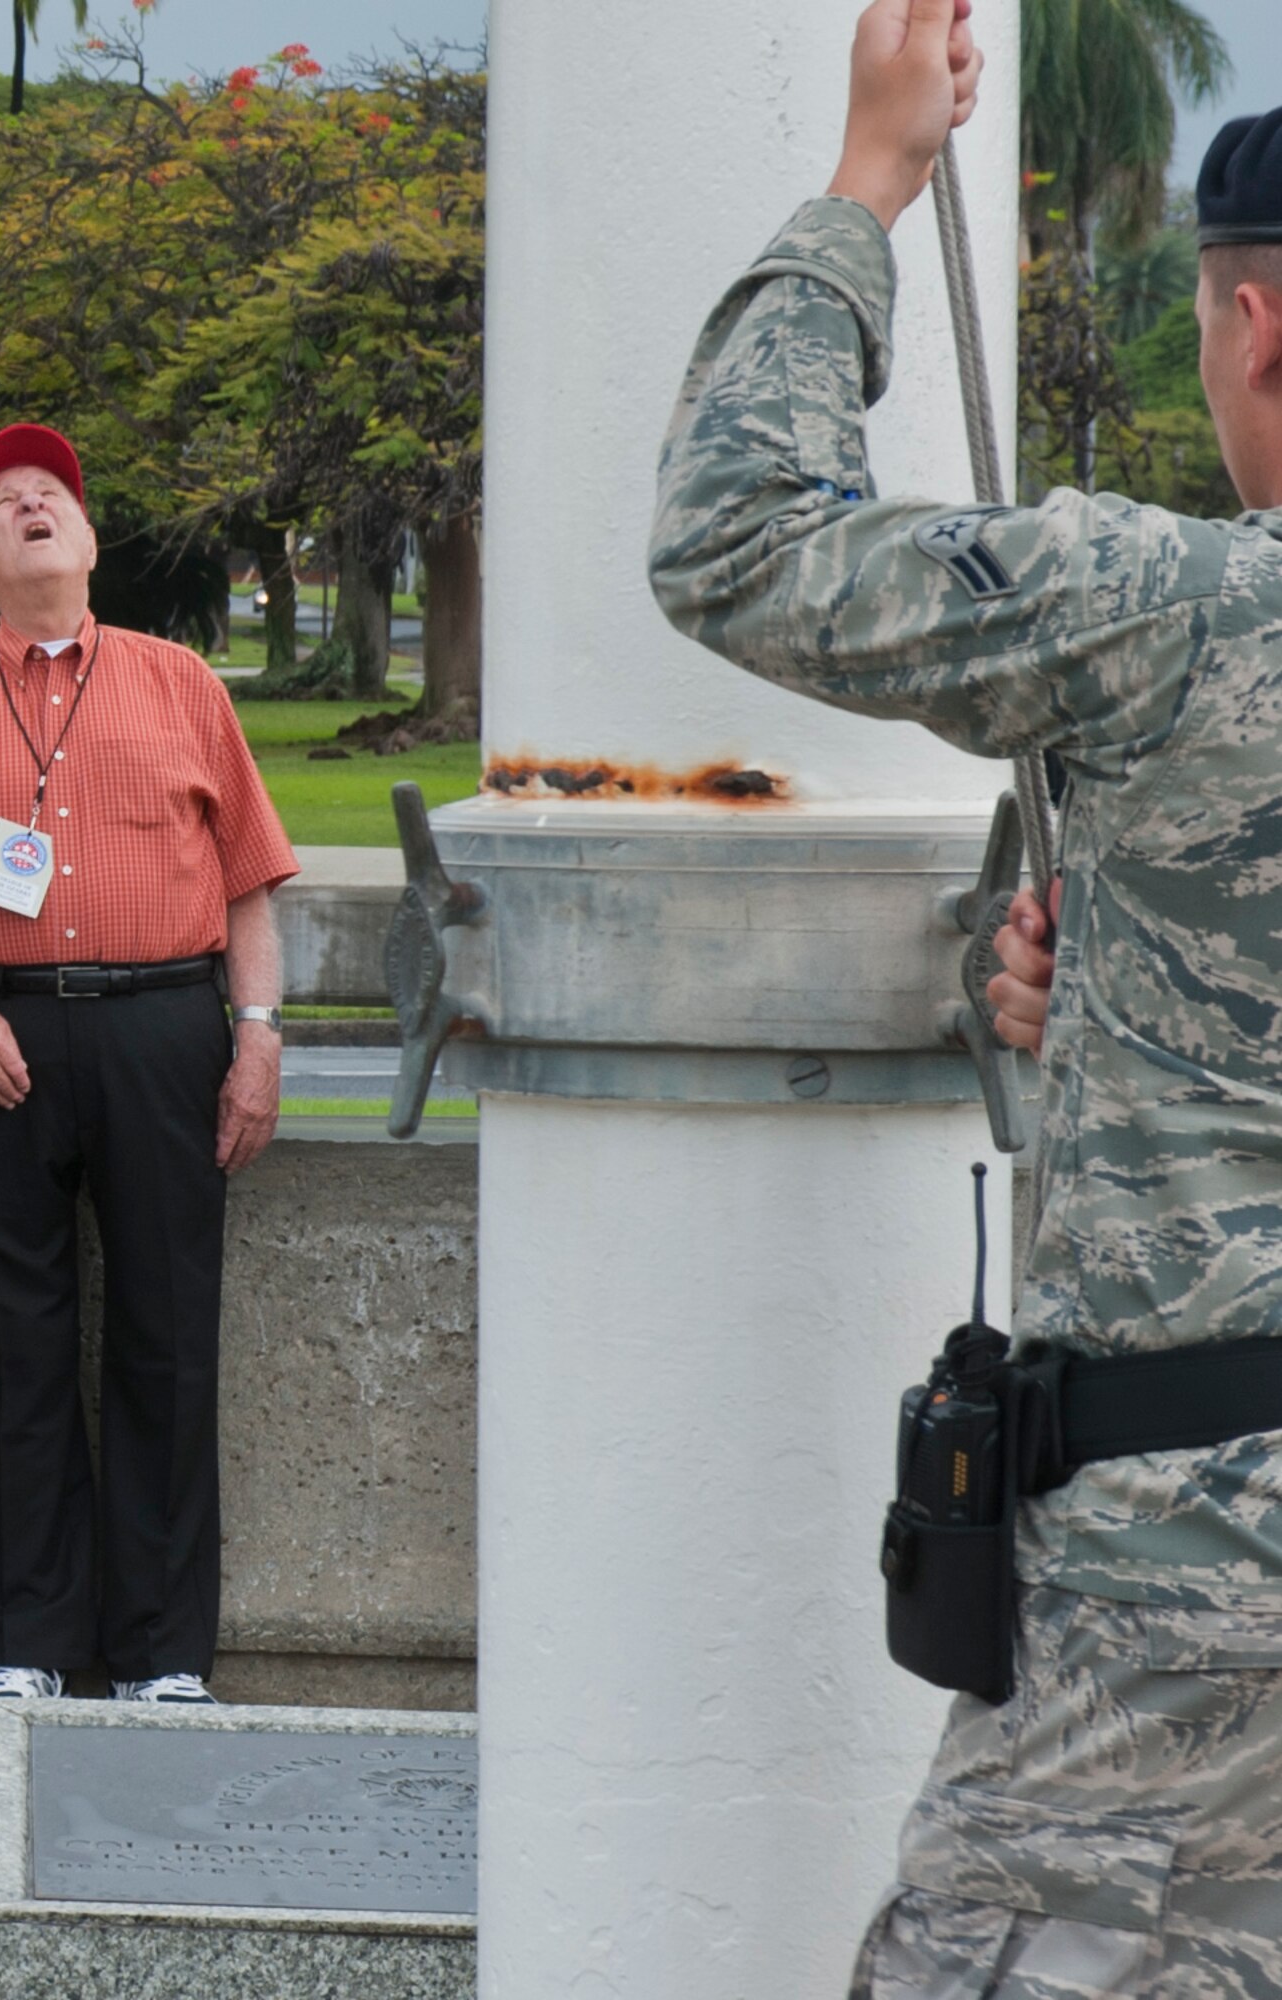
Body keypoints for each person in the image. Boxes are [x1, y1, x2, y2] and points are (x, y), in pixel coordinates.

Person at [650, 2, 1282, 1990]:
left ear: (1254, 324)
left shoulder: (1177, 611)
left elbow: (740, 539)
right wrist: (1120, 996)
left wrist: (872, 186)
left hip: (1195, 1580)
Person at [0, 423, 298, 1733]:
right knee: (11, 1339)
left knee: (165, 1333)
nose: (34, 508)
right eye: (5, 503)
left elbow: (253, 880)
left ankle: (160, 1653)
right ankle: (19, 1646)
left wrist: (256, 1035)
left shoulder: (180, 680)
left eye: (55, 498)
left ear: (87, 545)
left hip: (164, 1029)